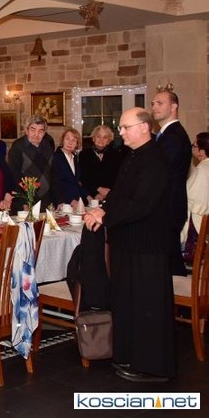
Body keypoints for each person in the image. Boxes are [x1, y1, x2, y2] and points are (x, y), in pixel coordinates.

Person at [83, 107, 176, 383]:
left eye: (126, 127)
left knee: (147, 306)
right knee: (128, 302)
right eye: (121, 127)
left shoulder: (155, 160)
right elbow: (121, 193)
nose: (120, 132)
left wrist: (106, 216)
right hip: (128, 241)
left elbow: (141, 204)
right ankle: (130, 355)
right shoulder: (134, 155)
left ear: (145, 127)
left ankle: (152, 366)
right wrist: (102, 209)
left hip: (146, 245)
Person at [151, 89, 191, 276]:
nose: (154, 107)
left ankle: (176, 293)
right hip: (166, 206)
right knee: (168, 259)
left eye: (160, 103)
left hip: (168, 206)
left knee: (169, 263)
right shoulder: (165, 135)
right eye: (153, 104)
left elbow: (159, 173)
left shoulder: (173, 136)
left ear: (174, 106)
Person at [7, 115, 54, 211]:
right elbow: (14, 176)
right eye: (33, 130)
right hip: (26, 199)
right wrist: (23, 203)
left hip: (46, 199)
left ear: (44, 132)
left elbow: (52, 173)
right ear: (26, 130)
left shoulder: (48, 146)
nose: (36, 134)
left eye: (40, 131)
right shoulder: (18, 146)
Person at [183, 132, 209, 263]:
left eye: (194, 145)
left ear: (202, 152)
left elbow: (196, 200)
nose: (192, 148)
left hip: (199, 221)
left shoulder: (202, 170)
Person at [79, 124, 121, 202]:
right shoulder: (84, 154)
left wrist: (107, 193)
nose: (101, 139)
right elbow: (83, 177)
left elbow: (118, 177)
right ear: (93, 138)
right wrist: (97, 190)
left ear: (109, 141)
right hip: (90, 196)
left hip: (111, 195)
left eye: (105, 137)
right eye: (98, 136)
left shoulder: (116, 155)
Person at [51, 127, 90, 205]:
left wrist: (88, 196)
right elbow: (56, 184)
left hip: (74, 201)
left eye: (73, 140)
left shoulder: (74, 158)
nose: (70, 143)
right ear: (62, 140)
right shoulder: (55, 157)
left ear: (77, 143)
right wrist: (70, 200)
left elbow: (75, 183)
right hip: (60, 202)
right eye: (67, 139)